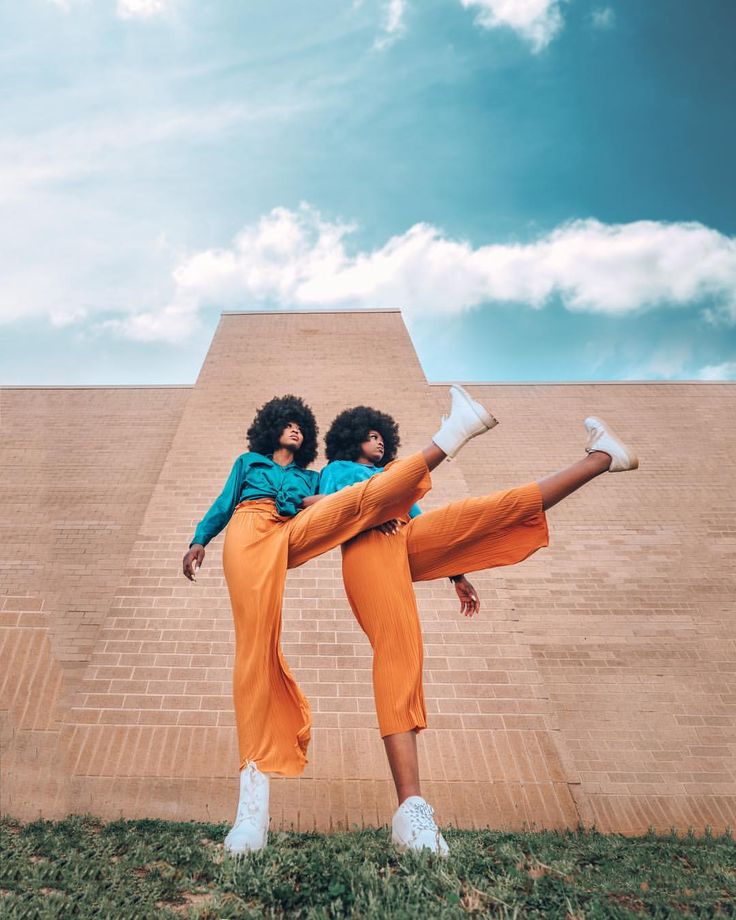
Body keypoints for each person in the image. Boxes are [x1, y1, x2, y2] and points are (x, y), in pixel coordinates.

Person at [181, 386, 498, 855]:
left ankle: (446, 439)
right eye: (287, 423)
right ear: (271, 428)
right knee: (255, 647)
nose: (295, 429)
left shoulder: (316, 476)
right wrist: (200, 538)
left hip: (291, 531)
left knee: (362, 497)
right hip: (249, 530)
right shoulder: (248, 464)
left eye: (301, 426)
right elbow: (224, 504)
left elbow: (333, 504)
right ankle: (252, 804)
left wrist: (376, 514)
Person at [317, 409, 638, 856]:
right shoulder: (338, 470)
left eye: (382, 438)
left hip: (407, 544)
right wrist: (373, 509)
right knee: (399, 656)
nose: (380, 444)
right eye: (371, 437)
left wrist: (457, 575)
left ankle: (601, 458)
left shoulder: (397, 475)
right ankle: (411, 808)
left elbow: (428, 524)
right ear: (353, 441)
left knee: (488, 511)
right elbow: (336, 508)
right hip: (368, 554)